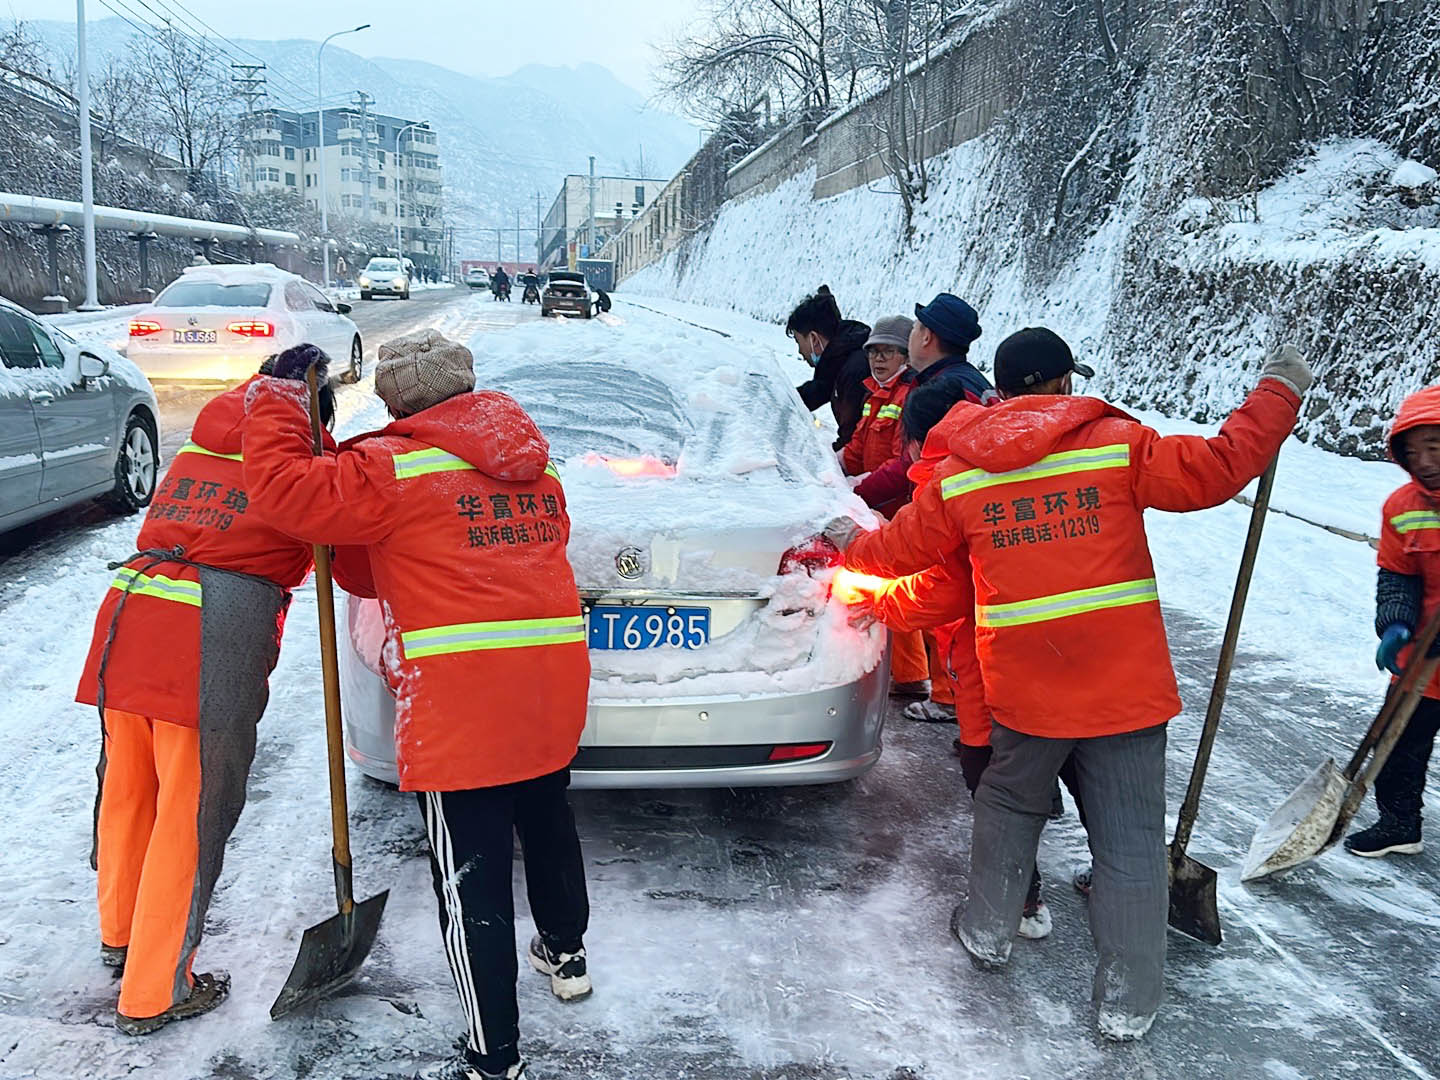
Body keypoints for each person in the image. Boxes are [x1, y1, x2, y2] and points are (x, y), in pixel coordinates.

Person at [835, 327, 1312, 1041]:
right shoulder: (1119, 446)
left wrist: (840, 550)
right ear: (1063, 386)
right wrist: (1278, 392)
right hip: (1126, 689)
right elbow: (1221, 466)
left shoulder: (964, 475)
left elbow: (897, 548)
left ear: (1001, 392)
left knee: (1007, 802)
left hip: (1025, 691)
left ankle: (990, 931)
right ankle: (1128, 1000)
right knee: (1129, 846)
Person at [243, 333, 591, 1080]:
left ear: (397, 403)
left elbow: (282, 494)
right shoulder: (534, 459)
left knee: (472, 877)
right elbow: (380, 570)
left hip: (463, 703)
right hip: (551, 683)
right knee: (547, 816)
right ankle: (567, 956)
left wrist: (276, 400)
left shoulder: (389, 467)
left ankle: (493, 1057)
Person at [73, 362, 335, 1035]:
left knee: (130, 789)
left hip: (132, 611)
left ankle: (123, 936)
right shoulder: (298, 460)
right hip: (207, 632)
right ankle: (155, 991)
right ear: (312, 409)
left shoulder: (210, 433)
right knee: (190, 815)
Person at [1346, 384, 1440, 858]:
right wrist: (1395, 625)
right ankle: (1400, 823)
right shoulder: (1403, 508)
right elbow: (1397, 575)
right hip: (1424, 657)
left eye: (1435, 447)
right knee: (1396, 744)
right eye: (1413, 450)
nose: (1425, 460)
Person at [788, 286, 871, 450]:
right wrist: (782, 399)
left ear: (813, 339)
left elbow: (852, 440)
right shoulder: (841, 357)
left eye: (799, 342)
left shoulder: (854, 370)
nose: (799, 351)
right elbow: (820, 388)